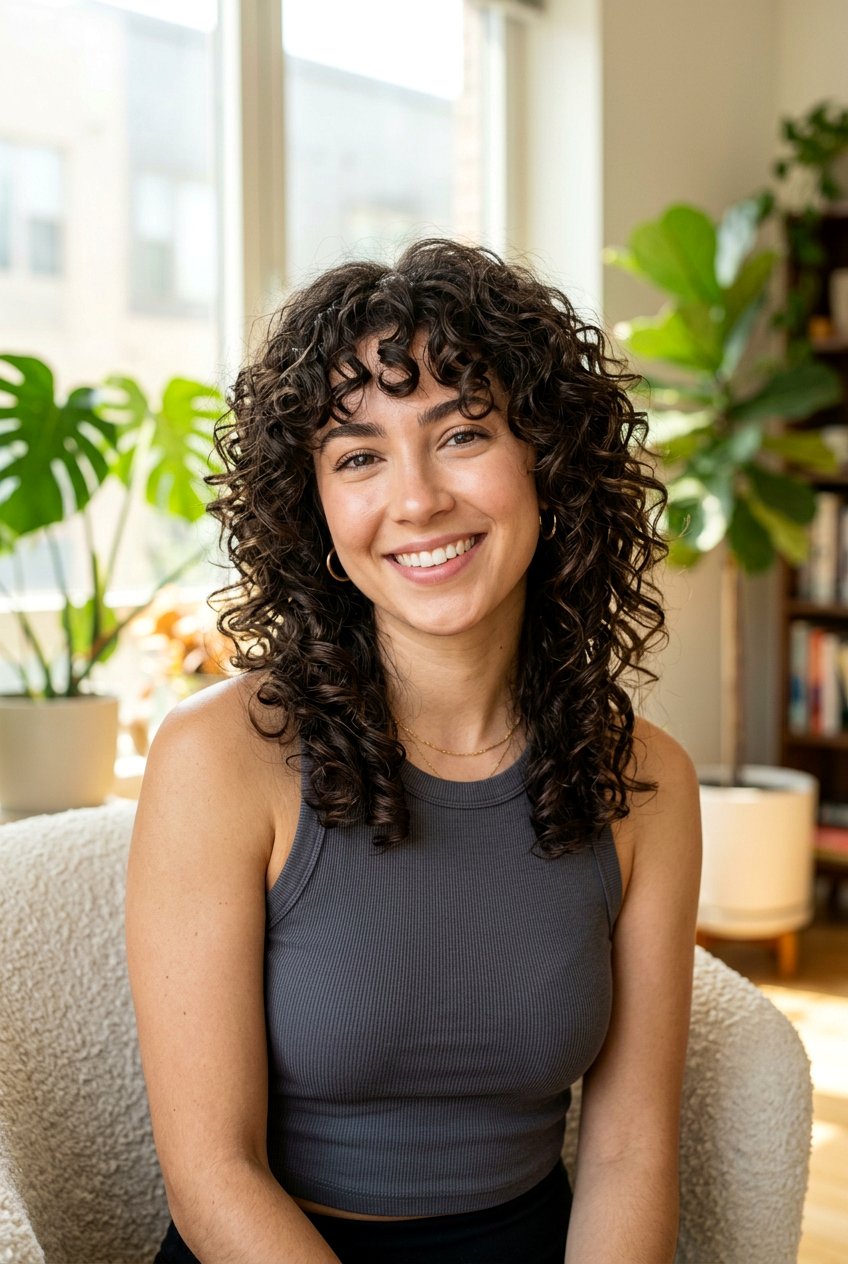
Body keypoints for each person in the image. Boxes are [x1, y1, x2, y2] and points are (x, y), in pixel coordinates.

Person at [125, 238, 702, 1264]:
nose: (418, 497)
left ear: (547, 460)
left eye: (463, 433)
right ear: (314, 508)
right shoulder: (215, 759)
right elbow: (212, 1173)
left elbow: (624, 1154)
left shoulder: (645, 780)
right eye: (357, 455)